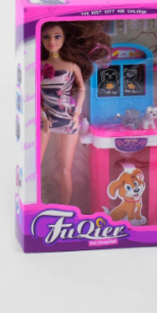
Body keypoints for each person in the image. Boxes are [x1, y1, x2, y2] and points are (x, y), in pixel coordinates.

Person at [40, 21, 111, 205]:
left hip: (68, 116)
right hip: (46, 117)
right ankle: (35, 202)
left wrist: (76, 113)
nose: (51, 41)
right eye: (46, 37)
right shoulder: (39, 66)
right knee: (34, 165)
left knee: (66, 169)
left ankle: (66, 207)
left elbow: (82, 89)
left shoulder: (71, 66)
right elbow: (36, 94)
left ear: (65, 39)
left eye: (57, 36)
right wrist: (43, 116)